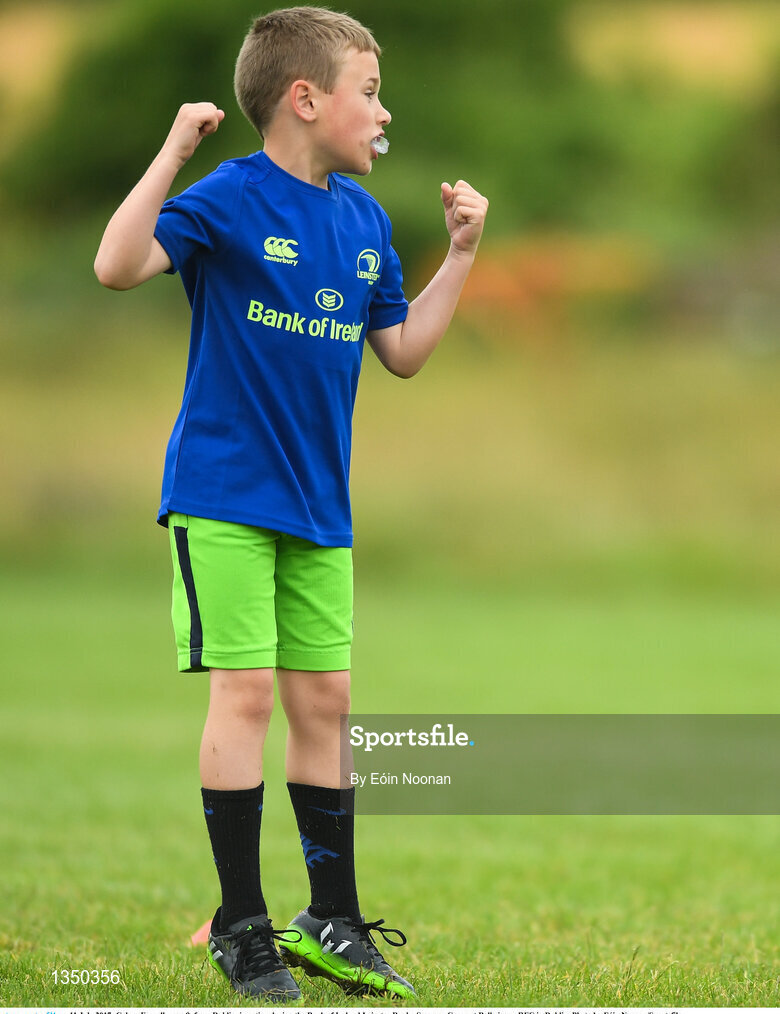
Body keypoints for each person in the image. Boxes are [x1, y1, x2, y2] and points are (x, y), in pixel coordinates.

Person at [94, 5, 487, 1002]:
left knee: (328, 703)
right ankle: (241, 925)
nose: (383, 109)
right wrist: (175, 149)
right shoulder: (227, 196)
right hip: (223, 497)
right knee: (249, 696)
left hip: (321, 509)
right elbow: (116, 265)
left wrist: (462, 254)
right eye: (368, 90)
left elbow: (401, 354)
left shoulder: (363, 222)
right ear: (306, 99)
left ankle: (334, 921)